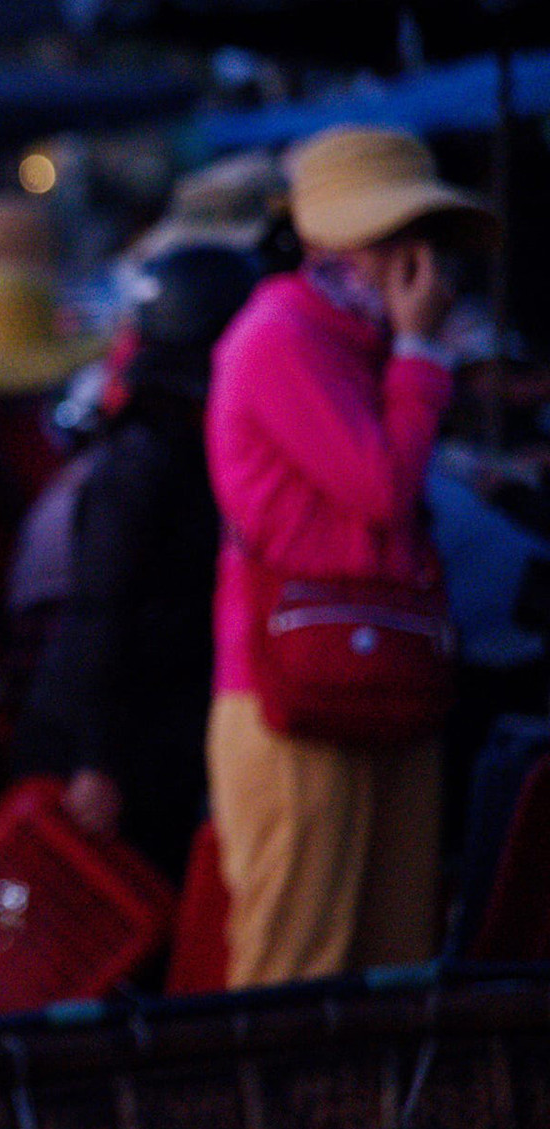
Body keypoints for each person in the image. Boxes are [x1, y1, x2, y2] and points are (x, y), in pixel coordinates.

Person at [206, 125, 495, 988]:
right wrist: (421, 353)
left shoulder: (351, 335)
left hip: (379, 674)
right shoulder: (282, 334)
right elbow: (381, 485)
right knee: (298, 970)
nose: (414, 261)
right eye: (390, 234)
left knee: (393, 962)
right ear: (330, 239)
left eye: (423, 235)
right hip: (292, 691)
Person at [16, 245, 259, 881]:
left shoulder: (174, 436)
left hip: (143, 733)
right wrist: (97, 761)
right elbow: (100, 611)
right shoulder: (150, 453)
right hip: (116, 749)